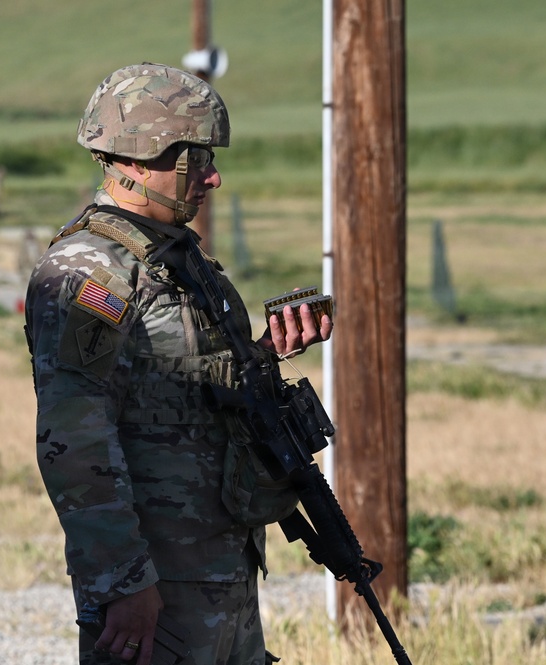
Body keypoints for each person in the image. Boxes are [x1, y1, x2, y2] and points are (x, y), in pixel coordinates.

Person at [24, 63, 332, 665]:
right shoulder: (89, 273)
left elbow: (186, 391)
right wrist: (124, 583)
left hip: (219, 572)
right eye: (195, 160)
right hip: (156, 591)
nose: (213, 177)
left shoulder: (179, 260)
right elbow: (75, 436)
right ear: (139, 161)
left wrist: (265, 354)